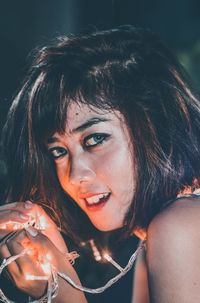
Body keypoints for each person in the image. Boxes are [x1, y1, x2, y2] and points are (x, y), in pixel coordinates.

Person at [1, 24, 200, 303]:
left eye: (94, 139)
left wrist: (59, 291)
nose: (74, 176)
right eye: (58, 151)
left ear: (155, 125)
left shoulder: (180, 225)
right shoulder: (150, 244)